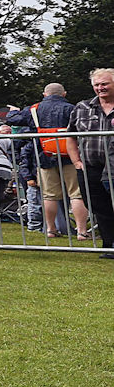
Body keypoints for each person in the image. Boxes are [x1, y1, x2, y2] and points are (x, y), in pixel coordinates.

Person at [4, 84, 90, 241]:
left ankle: (51, 229)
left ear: (44, 94)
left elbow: (12, 119)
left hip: (45, 156)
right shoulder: (72, 108)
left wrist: (14, 111)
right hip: (71, 156)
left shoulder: (35, 109)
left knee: (49, 195)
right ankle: (81, 232)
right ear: (64, 94)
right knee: (77, 194)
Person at [71, 68, 114, 257]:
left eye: (105, 84)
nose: (100, 88)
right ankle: (109, 244)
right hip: (90, 166)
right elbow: (70, 136)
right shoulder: (82, 107)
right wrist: (76, 162)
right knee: (96, 205)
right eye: (96, 85)